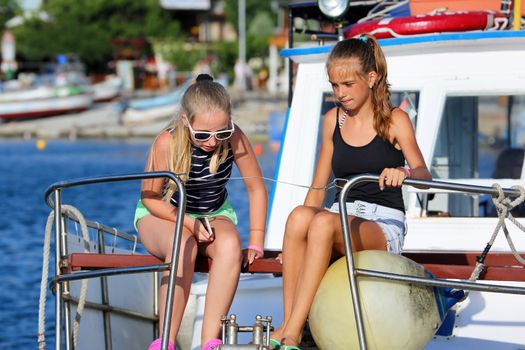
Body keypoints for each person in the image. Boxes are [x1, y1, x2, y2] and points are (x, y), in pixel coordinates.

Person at [270, 34, 432, 349]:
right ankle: (290, 325)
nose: (340, 94)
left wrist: (404, 172)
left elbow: (424, 175)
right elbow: (319, 187)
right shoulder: (333, 120)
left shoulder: (395, 121)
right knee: (299, 217)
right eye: (334, 86)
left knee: (321, 223)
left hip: (382, 224)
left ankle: (293, 329)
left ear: (371, 79)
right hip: (340, 215)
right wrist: (293, 242)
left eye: (347, 85)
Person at [135, 74, 268, 350]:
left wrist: (256, 240)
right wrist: (188, 224)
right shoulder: (166, 142)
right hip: (162, 213)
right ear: (186, 122)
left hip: (214, 211)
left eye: (221, 132)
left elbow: (256, 189)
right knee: (182, 243)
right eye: (203, 135)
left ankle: (210, 342)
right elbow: (149, 198)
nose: (212, 141)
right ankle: (165, 341)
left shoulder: (235, 139)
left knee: (231, 245)